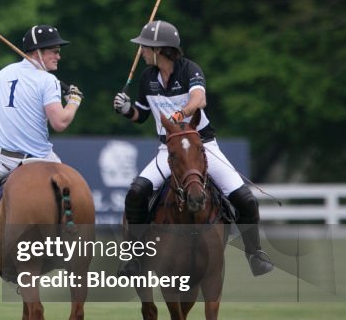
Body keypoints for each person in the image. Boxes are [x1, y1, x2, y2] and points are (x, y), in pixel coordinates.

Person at [112, 20, 274, 276]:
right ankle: (134, 256)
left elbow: (200, 99)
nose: (140, 51)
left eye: (144, 47)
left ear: (159, 50)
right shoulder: (147, 78)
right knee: (136, 192)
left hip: (202, 146)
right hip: (169, 151)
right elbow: (140, 115)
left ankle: (254, 253)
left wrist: (181, 114)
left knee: (244, 197)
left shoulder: (189, 70)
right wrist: (125, 109)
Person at [0, 25, 83, 276]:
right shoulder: (48, 80)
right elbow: (60, 122)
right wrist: (73, 102)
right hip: (43, 160)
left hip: (2, 159)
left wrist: (12, 128)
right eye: (53, 51)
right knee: (72, 191)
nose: (58, 56)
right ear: (38, 53)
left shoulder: (1, 75)